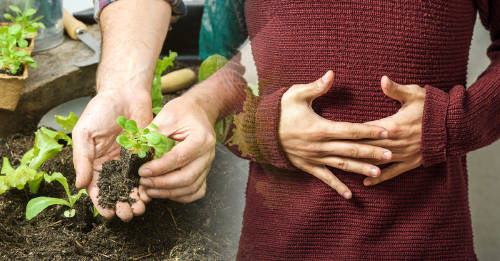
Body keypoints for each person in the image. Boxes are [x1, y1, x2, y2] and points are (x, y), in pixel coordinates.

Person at [74, 0, 499, 259]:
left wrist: (453, 121)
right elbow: (227, 71)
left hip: (423, 244)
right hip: (275, 245)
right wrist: (259, 127)